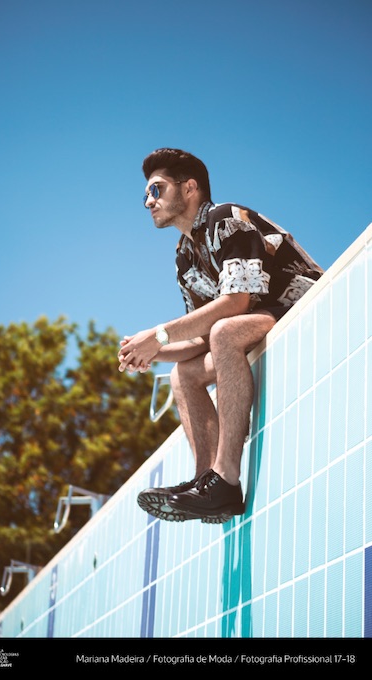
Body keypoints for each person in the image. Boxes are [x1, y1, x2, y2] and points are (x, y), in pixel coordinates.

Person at [118, 148, 323, 524]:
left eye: (156, 189)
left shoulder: (225, 218)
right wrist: (150, 352)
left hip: (306, 307)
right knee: (182, 374)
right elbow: (199, 336)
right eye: (146, 194)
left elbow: (234, 303)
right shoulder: (185, 258)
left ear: (189, 187)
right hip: (254, 323)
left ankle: (226, 477)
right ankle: (206, 484)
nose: (148, 201)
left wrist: (158, 336)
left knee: (225, 330)